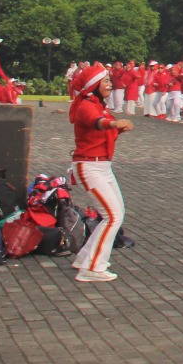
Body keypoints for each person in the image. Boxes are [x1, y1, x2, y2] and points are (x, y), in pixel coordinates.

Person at [67, 63, 133, 283]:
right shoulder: (86, 105)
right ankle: (92, 268)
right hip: (90, 167)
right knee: (112, 216)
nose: (109, 85)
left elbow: (103, 133)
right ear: (93, 85)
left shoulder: (98, 104)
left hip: (102, 166)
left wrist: (117, 129)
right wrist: (114, 123)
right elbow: (97, 124)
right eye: (105, 81)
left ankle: (86, 258)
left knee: (116, 213)